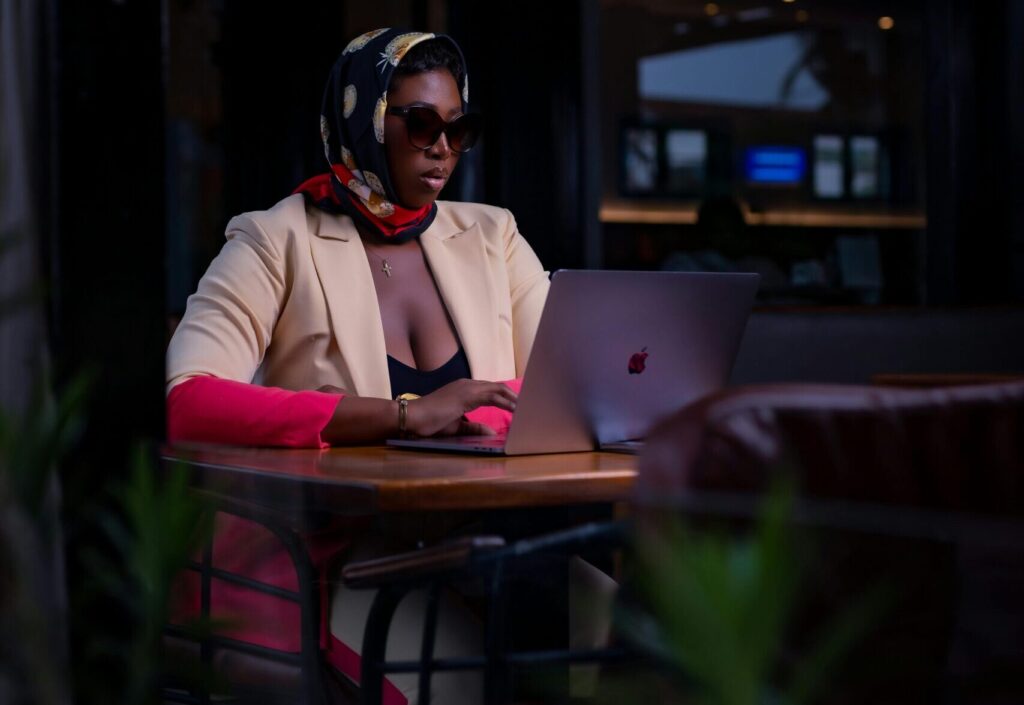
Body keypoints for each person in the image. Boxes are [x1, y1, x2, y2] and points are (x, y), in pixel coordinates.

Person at [165, 28, 550, 704]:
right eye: (421, 123)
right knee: (465, 682)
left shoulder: (493, 235)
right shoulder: (275, 237)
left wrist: (470, 408)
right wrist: (402, 415)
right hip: (354, 560)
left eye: (460, 130)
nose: (442, 148)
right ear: (364, 119)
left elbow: (560, 383)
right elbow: (188, 400)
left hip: (500, 542)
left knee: (637, 641)